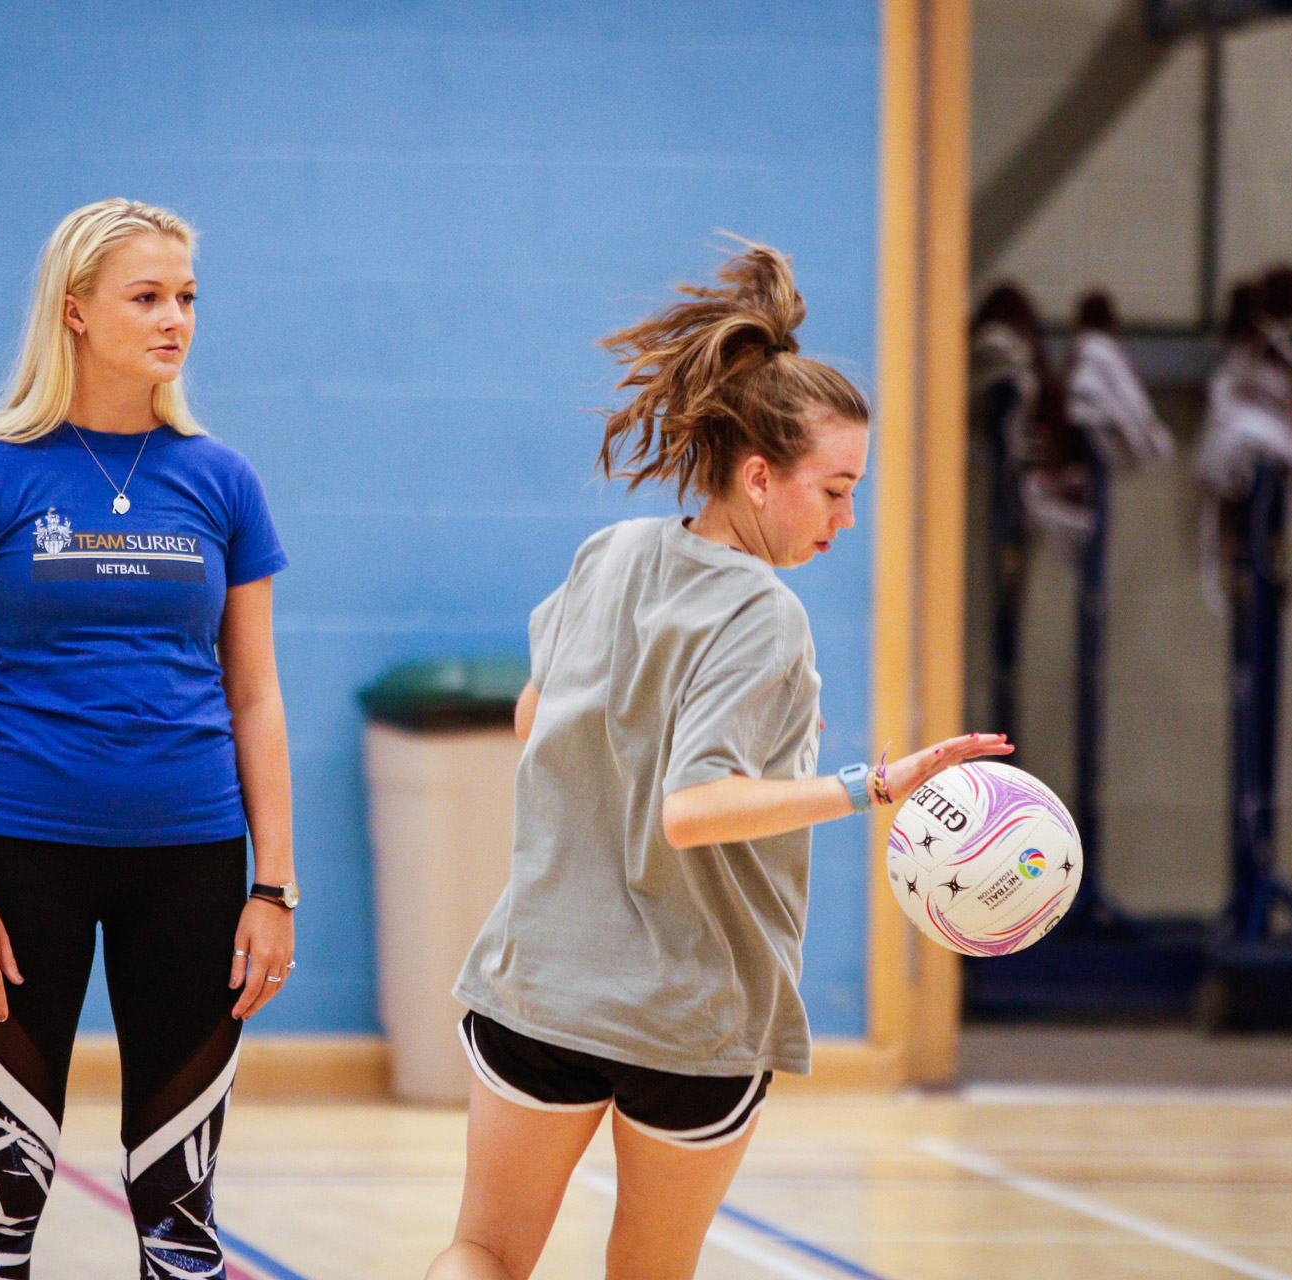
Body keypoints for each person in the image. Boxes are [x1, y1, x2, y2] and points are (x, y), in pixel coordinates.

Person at [428, 240, 1011, 1280]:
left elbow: (533, 718)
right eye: (833, 489)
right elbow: (693, 808)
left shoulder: (609, 556)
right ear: (758, 476)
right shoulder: (765, 612)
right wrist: (867, 784)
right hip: (688, 1013)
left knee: (481, 1250)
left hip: (543, 985)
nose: (845, 516)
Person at [0, 198, 297, 1279]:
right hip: (24, 863)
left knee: (180, 1217)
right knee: (1, 1209)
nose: (176, 318)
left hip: (196, 863)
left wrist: (277, 887)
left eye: (187, 297)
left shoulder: (221, 479)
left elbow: (256, 696)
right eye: (147, 296)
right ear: (74, 312)